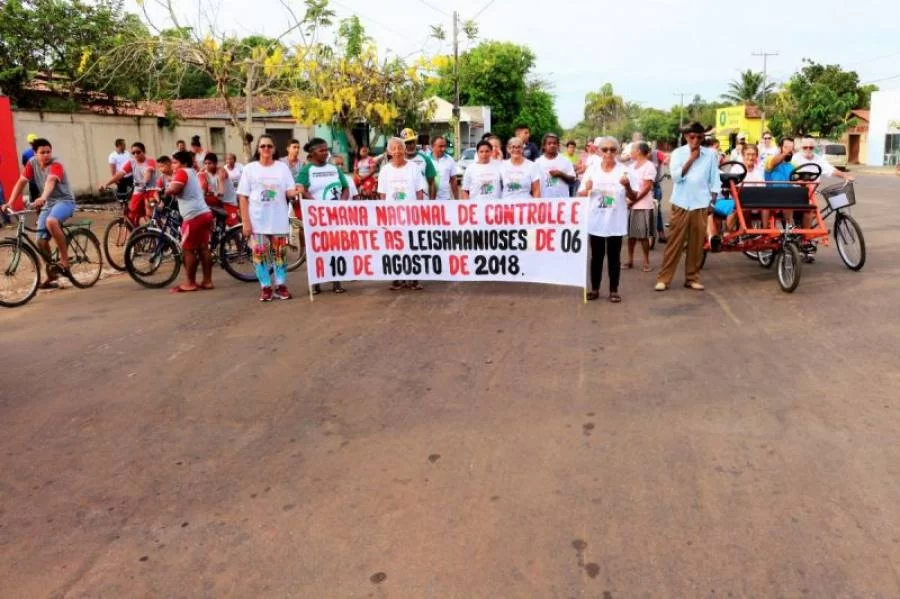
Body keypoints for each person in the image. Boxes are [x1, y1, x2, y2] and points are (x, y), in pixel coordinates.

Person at [655, 122, 721, 292]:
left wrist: (712, 202)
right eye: (692, 137)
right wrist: (692, 159)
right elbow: (676, 178)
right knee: (674, 243)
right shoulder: (678, 153)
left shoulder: (710, 155)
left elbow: (715, 180)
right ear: (686, 137)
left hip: (701, 204)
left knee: (697, 244)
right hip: (681, 203)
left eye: (700, 137)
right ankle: (664, 279)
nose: (696, 140)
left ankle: (692, 278)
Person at [3, 138, 77, 287]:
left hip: (64, 201)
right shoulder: (32, 163)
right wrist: (10, 202)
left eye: (48, 151)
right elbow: (21, 182)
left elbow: (50, 181)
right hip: (49, 203)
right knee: (41, 241)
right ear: (35, 154)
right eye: (42, 152)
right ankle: (51, 275)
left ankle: (64, 259)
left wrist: (42, 197)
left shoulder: (56, 164)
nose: (46, 155)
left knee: (51, 221)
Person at [237, 135, 300, 302]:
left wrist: (297, 191)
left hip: (278, 219)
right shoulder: (250, 169)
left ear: (274, 149)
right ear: (258, 149)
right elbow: (243, 197)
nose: (266, 149)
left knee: (280, 254)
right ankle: (265, 287)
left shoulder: (282, 168)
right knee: (259, 255)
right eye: (263, 146)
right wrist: (246, 222)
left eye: (269, 146)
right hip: (257, 220)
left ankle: (281, 285)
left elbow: (288, 191)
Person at [578, 137, 633, 303]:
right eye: (605, 149)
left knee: (614, 258)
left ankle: (614, 290)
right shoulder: (592, 170)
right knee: (596, 257)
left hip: (615, 221)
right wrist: (586, 189)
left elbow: (634, 196)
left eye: (612, 149)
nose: (609, 153)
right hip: (596, 221)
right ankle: (595, 289)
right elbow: (581, 193)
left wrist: (628, 186)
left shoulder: (624, 170)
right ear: (599, 151)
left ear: (617, 151)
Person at [298, 138, 350, 294]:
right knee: (317, 249)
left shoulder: (334, 169)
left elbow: (345, 187)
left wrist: (342, 202)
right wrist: (313, 202)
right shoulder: (307, 170)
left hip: (335, 216)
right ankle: (316, 283)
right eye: (322, 150)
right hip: (316, 217)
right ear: (313, 153)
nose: (326, 152)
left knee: (335, 248)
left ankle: (336, 282)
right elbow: (301, 188)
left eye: (326, 149)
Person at [377, 137, 425, 291]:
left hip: (411, 215)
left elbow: (419, 192)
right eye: (394, 148)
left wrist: (419, 212)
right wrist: (384, 216)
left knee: (412, 246)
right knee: (394, 248)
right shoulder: (385, 170)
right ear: (389, 152)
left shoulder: (413, 168)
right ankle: (397, 277)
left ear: (405, 150)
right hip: (392, 217)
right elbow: (383, 195)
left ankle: (413, 278)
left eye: (400, 148)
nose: (397, 151)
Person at [167, 151, 215, 293]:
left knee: (188, 250)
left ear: (183, 163)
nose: (173, 165)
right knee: (203, 248)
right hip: (204, 213)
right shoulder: (192, 172)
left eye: (175, 162)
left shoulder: (182, 172)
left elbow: (175, 188)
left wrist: (167, 191)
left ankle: (190, 283)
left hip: (193, 216)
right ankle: (207, 281)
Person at [100, 142, 158, 225]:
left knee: (149, 214)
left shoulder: (150, 161)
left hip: (150, 190)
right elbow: (120, 174)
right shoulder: (132, 162)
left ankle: (154, 232)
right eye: (133, 153)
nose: (136, 155)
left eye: (138, 152)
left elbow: (148, 173)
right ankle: (139, 235)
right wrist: (106, 184)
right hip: (138, 190)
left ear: (144, 152)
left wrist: (144, 181)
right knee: (131, 214)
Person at [625, 142, 657, 272]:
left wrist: (634, 200)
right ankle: (630, 260)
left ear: (638, 151)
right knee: (631, 236)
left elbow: (647, 187)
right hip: (631, 204)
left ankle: (646, 261)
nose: (630, 152)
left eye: (632, 150)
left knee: (643, 236)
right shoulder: (631, 166)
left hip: (643, 205)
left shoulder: (649, 166)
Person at [535, 133, 576, 198]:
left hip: (561, 202)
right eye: (549, 143)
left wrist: (561, 174)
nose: (552, 145)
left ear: (558, 145)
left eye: (554, 143)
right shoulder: (538, 162)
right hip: (544, 201)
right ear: (544, 146)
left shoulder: (565, 161)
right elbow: (534, 183)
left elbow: (573, 179)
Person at [400, 128, 437, 199]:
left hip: (423, 203)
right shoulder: (398, 160)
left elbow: (432, 183)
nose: (412, 145)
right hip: (404, 203)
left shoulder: (425, 159)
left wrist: (432, 203)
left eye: (413, 142)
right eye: (408, 143)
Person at [649, 144, 670, 242]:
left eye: (648, 151)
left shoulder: (656, 154)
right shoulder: (636, 157)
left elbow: (667, 157)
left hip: (655, 185)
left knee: (657, 209)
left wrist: (666, 160)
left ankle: (661, 234)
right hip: (643, 186)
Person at [430, 136, 459, 200]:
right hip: (428, 201)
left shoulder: (450, 160)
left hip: (445, 199)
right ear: (433, 146)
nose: (443, 149)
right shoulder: (426, 160)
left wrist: (457, 200)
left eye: (444, 146)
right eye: (440, 146)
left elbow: (453, 180)